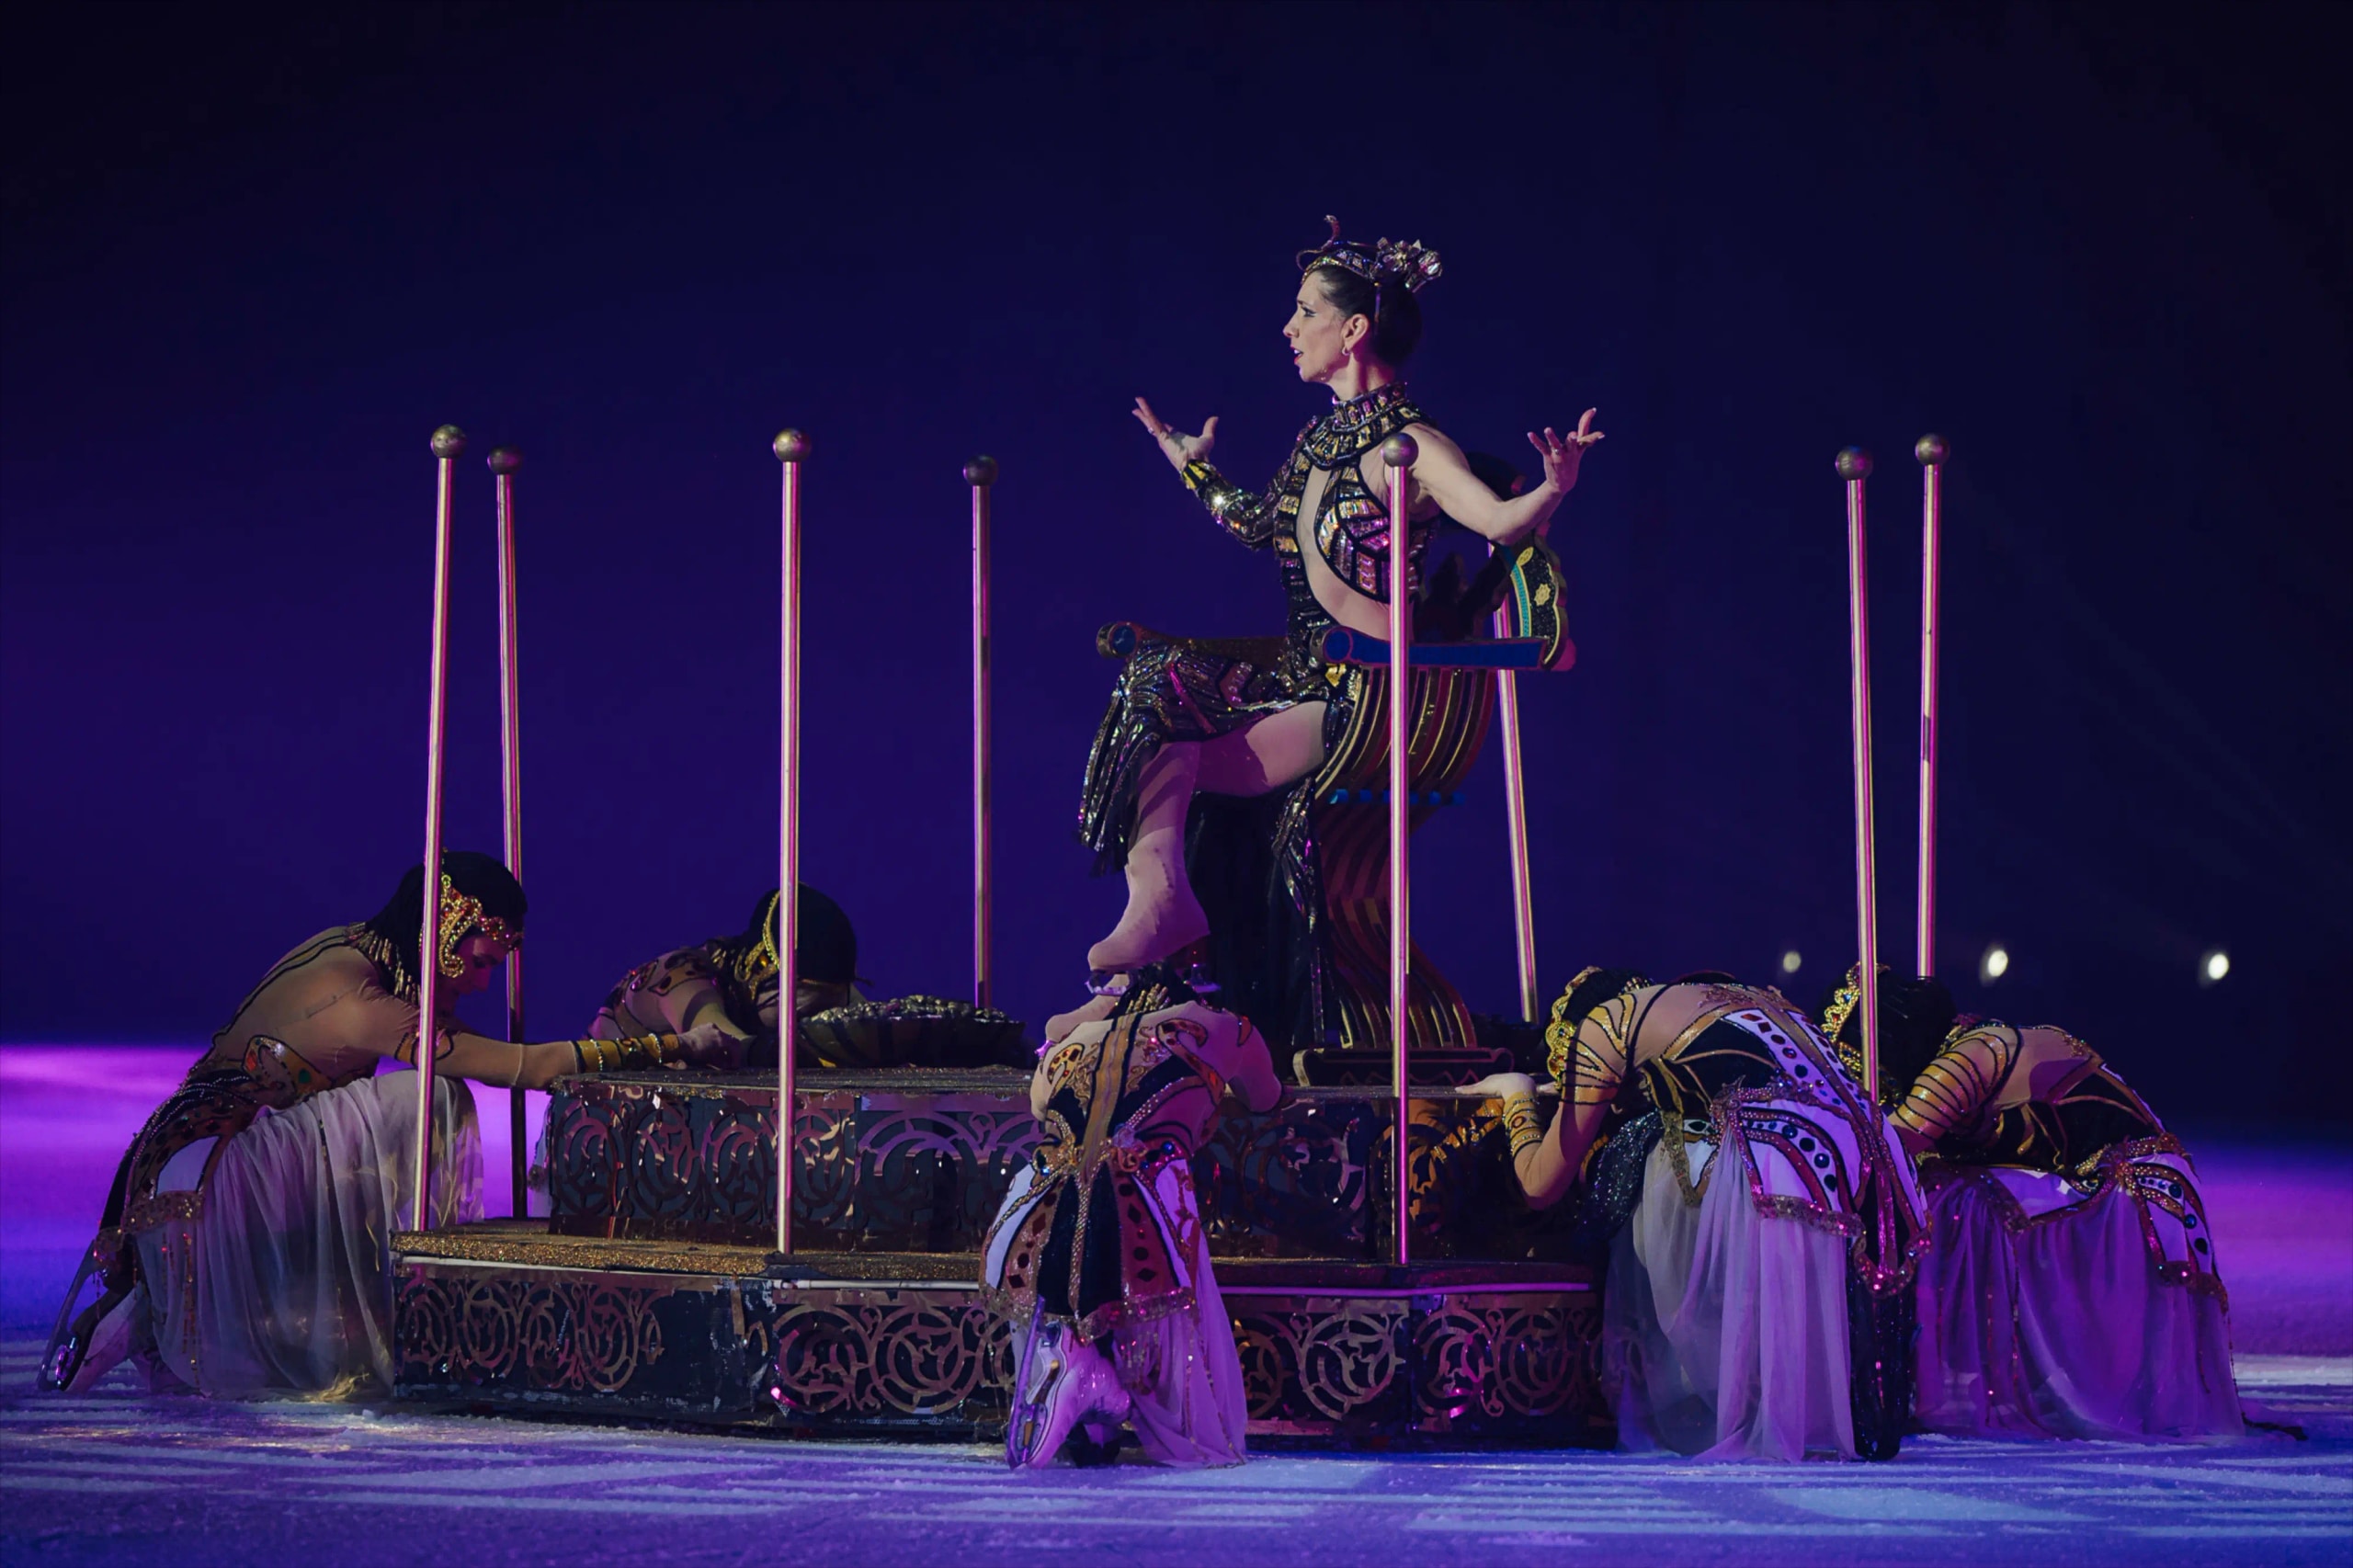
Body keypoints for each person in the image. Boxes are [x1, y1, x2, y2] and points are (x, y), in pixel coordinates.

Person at [1061, 217, 1603, 1040]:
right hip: (1301, 686)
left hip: (1362, 700)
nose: (1289, 327)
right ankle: (1152, 941)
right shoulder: (1321, 440)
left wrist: (1554, 488)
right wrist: (1189, 462)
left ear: (1352, 331)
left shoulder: (1411, 445)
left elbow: (1497, 521)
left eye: (1305, 311)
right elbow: (1256, 524)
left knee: (1166, 717)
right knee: (1154, 688)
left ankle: (1154, 956)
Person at [40, 852, 743, 1399]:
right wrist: (670, 1046)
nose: (482, 983)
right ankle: (403, 1309)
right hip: (214, 1172)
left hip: (191, 1159)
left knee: (373, 1133)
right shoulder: (363, 998)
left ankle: (160, 1307)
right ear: (446, 930)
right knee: (428, 1099)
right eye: (481, 962)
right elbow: (520, 1067)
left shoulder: (355, 946)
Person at [1472, 967, 1924, 1460]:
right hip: (1879, 1164)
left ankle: (1699, 1398)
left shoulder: (1607, 1024)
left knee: (1645, 1144)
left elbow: (1540, 1184)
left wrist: (1516, 1097)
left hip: (1780, 1166)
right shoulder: (1754, 995)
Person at [1821, 965, 2242, 1440]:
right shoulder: (1972, 1040)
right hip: (2133, 1192)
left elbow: (1890, 1149)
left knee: (1952, 1204)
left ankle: (1945, 1374)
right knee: (1944, 1187)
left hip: (2130, 1198)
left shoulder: (1970, 1057)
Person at [981, 966, 1282, 1468]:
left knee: (1081, 1218)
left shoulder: (1067, 1043)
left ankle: (1079, 1376)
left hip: (1034, 1212)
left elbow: (1039, 1109)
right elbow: (1267, 1096)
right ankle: (1103, 1390)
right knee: (1147, 1227)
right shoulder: (1227, 1027)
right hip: (1142, 1197)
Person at [589, 884, 862, 1067]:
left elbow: (864, 1024)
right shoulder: (681, 978)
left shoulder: (826, 989)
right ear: (757, 974)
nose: (813, 1024)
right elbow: (729, 1046)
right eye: (806, 1015)